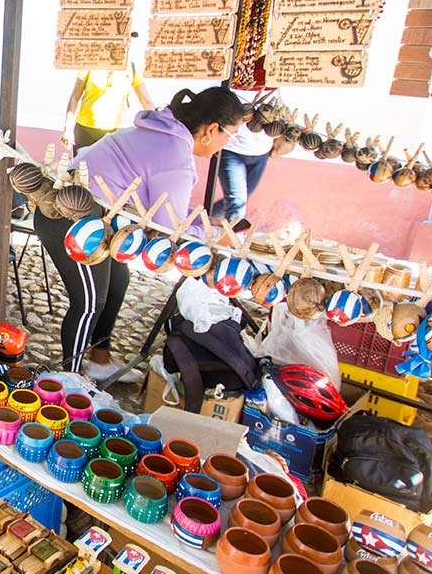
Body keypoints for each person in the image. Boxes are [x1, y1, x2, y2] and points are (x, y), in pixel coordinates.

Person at [36, 86, 245, 382]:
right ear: (212, 129)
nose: (226, 144)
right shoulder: (174, 153)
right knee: (89, 303)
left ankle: (98, 358)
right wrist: (213, 235)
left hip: (97, 216)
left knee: (118, 280)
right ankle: (68, 382)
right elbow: (168, 227)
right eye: (230, 135)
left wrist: (204, 227)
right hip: (71, 217)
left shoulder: (164, 131)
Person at [210, 89, 278, 224]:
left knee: (239, 199)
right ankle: (233, 240)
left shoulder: (276, 85)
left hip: (261, 153)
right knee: (237, 201)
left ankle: (206, 219)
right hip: (231, 150)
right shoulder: (233, 84)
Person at [62, 60, 154, 153]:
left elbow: (146, 101)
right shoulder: (89, 63)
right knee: (81, 167)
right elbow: (75, 97)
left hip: (114, 135)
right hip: (85, 131)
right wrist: (67, 129)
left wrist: (159, 126)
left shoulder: (131, 67)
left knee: (108, 167)